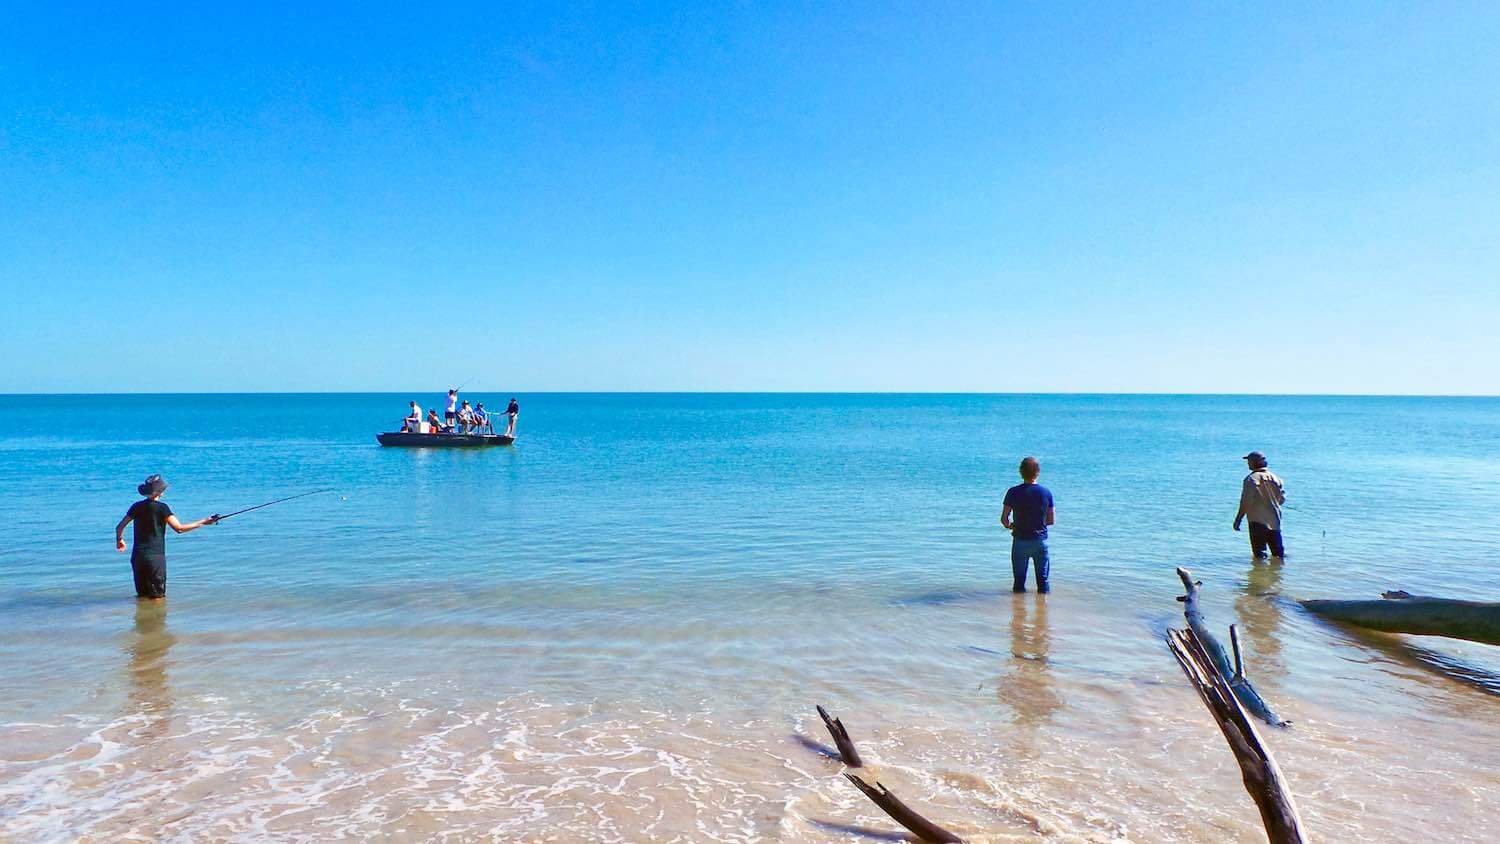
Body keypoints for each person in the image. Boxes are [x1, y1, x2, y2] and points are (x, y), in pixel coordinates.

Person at [115, 475, 219, 600]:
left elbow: (119, 527)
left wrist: (119, 540)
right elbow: (179, 528)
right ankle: (157, 619)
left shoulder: (136, 507)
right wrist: (203, 522)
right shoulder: (162, 508)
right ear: (160, 492)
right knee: (158, 598)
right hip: (155, 558)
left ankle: (142, 619)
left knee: (142, 597)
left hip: (138, 557)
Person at [1000, 456, 1056, 593]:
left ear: (1021, 472)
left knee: (1018, 583)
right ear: (1038, 472)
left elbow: (1004, 519)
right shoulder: (1046, 493)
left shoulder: (1013, 492)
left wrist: (1011, 526)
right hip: (1040, 541)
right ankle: (1043, 611)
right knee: (1043, 583)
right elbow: (1051, 521)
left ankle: (1018, 613)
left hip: (1020, 541)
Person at [1234, 450, 1286, 559]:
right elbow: (1282, 500)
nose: (1248, 463)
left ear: (1253, 463)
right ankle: (1277, 575)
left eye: (1249, 461)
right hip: (1275, 521)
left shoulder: (1251, 479)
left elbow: (1246, 501)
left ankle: (1259, 574)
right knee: (1278, 555)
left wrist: (1238, 519)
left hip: (1257, 521)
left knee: (1259, 555)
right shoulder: (1276, 478)